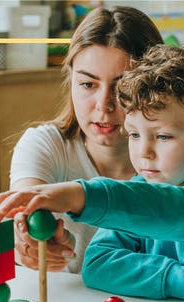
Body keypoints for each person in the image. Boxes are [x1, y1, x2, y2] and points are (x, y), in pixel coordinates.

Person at [0, 44, 184, 302]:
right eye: (133, 134)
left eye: (163, 136)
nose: (144, 151)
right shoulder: (141, 187)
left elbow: (182, 210)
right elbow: (97, 262)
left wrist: (81, 195)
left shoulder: (155, 200)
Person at [9, 5, 163, 273]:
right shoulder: (45, 144)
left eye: (122, 86)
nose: (103, 105)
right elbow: (26, 205)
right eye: (88, 84)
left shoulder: (179, 159)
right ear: (71, 81)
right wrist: (29, 238)